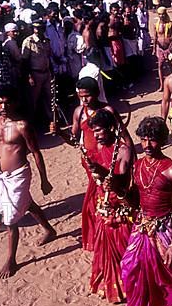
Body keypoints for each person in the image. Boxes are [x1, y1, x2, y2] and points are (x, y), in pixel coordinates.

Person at [0, 85, 56, 278]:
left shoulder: (22, 126)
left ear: (15, 102)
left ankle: (11, 259)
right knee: (28, 204)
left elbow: (35, 152)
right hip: (1, 176)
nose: (3, 106)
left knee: (10, 220)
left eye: (7, 102)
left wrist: (44, 180)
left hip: (19, 175)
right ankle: (49, 230)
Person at [116, 116, 172, 306]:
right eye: (143, 139)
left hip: (163, 227)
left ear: (162, 140)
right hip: (142, 224)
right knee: (129, 266)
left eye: (152, 140)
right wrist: (119, 192)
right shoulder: (137, 166)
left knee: (165, 272)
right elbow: (134, 200)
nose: (147, 145)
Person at [50, 76, 132, 251]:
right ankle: (101, 236)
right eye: (81, 96)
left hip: (111, 158)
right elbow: (74, 140)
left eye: (87, 95)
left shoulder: (108, 110)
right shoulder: (79, 112)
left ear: (96, 93)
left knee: (113, 195)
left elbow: (125, 136)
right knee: (96, 198)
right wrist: (60, 133)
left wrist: (133, 159)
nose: (84, 99)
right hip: (91, 162)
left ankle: (117, 234)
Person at [85, 109, 133, 303]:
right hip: (102, 203)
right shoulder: (99, 146)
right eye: (94, 132)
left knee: (124, 246)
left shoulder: (123, 150)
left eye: (100, 131)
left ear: (111, 128)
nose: (96, 135)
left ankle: (128, 285)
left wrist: (103, 174)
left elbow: (121, 181)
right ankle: (109, 282)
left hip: (119, 204)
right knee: (103, 246)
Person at [21, 20, 53, 125]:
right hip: (35, 73)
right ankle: (31, 123)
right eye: (36, 28)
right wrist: (29, 76)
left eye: (40, 28)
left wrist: (51, 73)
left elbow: (48, 57)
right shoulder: (28, 41)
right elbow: (25, 61)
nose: (38, 30)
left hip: (46, 72)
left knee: (49, 98)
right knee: (33, 100)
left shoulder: (46, 41)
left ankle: (51, 119)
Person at [153, 7, 172, 92]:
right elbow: (155, 37)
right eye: (159, 14)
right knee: (160, 66)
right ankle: (162, 85)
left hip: (169, 47)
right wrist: (154, 48)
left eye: (163, 14)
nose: (161, 16)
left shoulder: (171, 24)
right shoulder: (156, 25)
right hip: (160, 48)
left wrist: (171, 38)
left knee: (171, 65)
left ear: (165, 14)